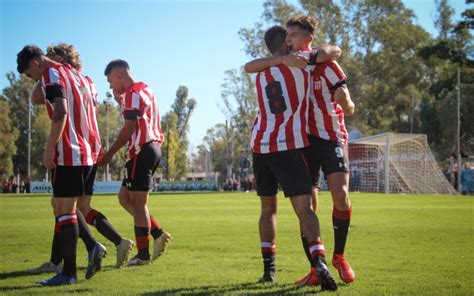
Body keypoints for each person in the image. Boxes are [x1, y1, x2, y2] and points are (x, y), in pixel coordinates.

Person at [246, 25, 337, 291]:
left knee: (267, 209)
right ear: (286, 45)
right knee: (304, 209)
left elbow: (247, 66)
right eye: (289, 39)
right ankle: (319, 261)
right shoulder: (301, 64)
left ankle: (268, 270)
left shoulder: (262, 69)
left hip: (260, 144)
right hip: (288, 145)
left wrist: (278, 58)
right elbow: (334, 52)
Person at [17, 44, 102, 285]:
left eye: (30, 74)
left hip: (69, 151)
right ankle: (89, 250)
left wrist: (49, 147)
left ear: (35, 63)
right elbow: (39, 97)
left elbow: (61, 112)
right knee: (66, 208)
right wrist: (47, 67)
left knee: (65, 210)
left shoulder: (52, 75)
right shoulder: (77, 75)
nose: (32, 79)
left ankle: (69, 273)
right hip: (86, 152)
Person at [282, 15, 356, 286]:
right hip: (302, 142)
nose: (287, 39)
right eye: (287, 35)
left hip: (331, 138)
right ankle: (317, 266)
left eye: (292, 34)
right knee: (306, 208)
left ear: (308, 39)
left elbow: (349, 106)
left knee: (341, 195)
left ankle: (339, 256)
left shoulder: (329, 65)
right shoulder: (291, 66)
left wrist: (346, 102)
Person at [98, 59, 172, 266]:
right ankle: (157, 233)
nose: (111, 86)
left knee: (139, 205)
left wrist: (109, 154)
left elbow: (129, 128)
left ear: (118, 75)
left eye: (111, 81)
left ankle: (143, 255)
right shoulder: (144, 88)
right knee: (124, 198)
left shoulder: (131, 93)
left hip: (141, 150)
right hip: (149, 149)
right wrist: (119, 98)